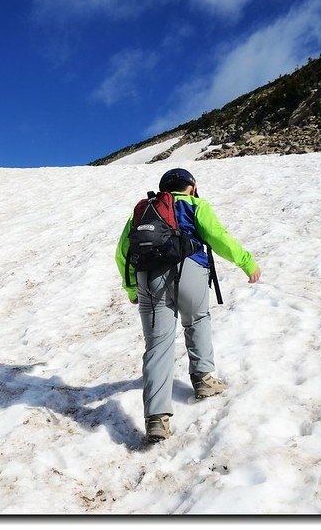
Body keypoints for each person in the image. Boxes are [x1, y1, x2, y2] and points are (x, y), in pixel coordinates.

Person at [115, 167, 261, 442]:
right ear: (190, 187)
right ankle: (204, 380)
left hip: (149, 278)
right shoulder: (195, 204)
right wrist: (246, 261)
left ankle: (157, 420)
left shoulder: (144, 211)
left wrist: (132, 287)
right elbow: (218, 237)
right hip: (190, 269)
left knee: (158, 344)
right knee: (196, 320)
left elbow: (123, 251)